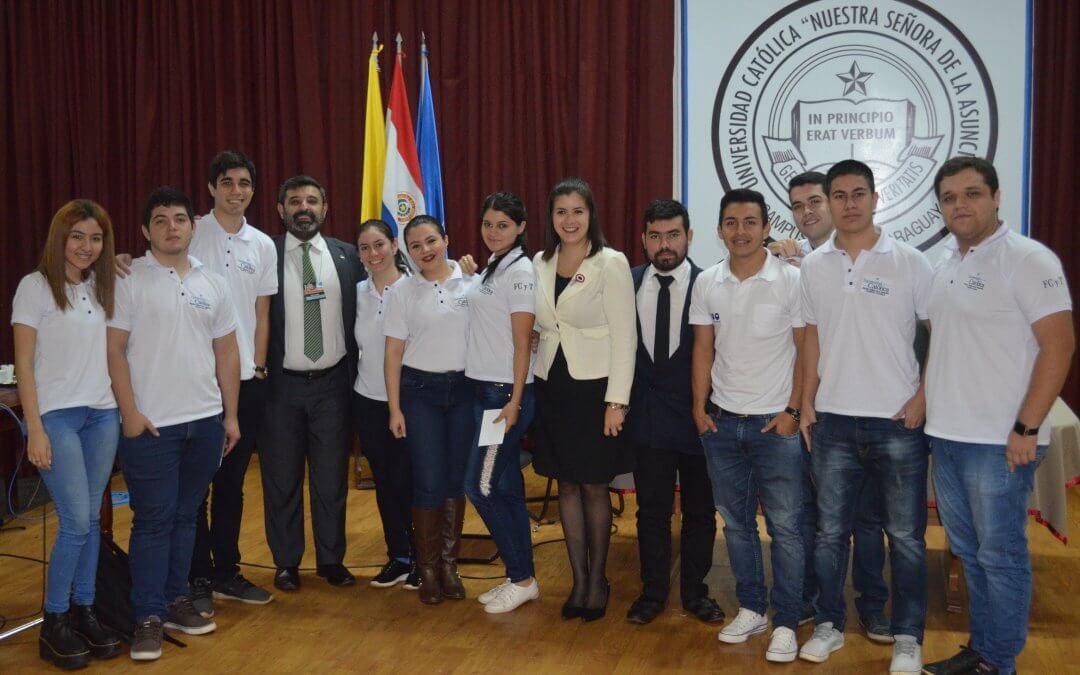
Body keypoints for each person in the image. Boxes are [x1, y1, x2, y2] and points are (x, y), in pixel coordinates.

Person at [922, 157, 1074, 675]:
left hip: (999, 440)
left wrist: (1027, 427)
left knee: (1001, 556)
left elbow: (1059, 347)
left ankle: (999, 661)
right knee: (968, 550)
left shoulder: (1029, 259)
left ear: (996, 197)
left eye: (971, 193)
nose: (959, 205)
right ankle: (981, 649)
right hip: (947, 435)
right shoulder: (945, 261)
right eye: (948, 197)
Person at [796, 160, 932, 674]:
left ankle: (908, 637)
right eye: (839, 195)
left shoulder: (911, 262)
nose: (849, 204)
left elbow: (938, 331)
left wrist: (923, 396)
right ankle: (829, 625)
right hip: (832, 421)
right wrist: (807, 403)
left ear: (876, 199)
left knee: (906, 537)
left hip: (897, 423)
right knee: (830, 534)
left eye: (858, 194)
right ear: (828, 202)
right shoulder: (813, 267)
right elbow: (809, 338)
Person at [106, 187, 241, 661]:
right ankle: (145, 614)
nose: (171, 228)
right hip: (151, 427)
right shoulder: (127, 279)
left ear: (191, 226)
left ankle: (172, 599)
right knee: (154, 520)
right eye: (160, 220)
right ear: (145, 231)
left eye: (179, 219)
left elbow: (227, 352)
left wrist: (230, 415)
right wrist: (130, 412)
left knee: (186, 517)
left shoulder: (213, 283)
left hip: (204, 422)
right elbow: (114, 349)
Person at [691, 189, 805, 662]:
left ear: (765, 226)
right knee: (736, 526)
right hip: (722, 425)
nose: (741, 231)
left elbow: (806, 351)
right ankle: (753, 608)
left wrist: (794, 412)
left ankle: (787, 621)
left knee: (786, 528)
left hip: (774, 426)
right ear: (720, 229)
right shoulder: (709, 283)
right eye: (732, 222)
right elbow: (703, 349)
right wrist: (700, 409)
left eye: (750, 222)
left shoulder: (791, 280)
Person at [781, 171, 892, 639]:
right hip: (814, 411)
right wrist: (802, 405)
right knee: (812, 516)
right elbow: (804, 341)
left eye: (815, 202)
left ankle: (872, 605)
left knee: (866, 520)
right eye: (798, 205)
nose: (807, 212)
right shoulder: (793, 265)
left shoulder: (884, 259)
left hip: (865, 412)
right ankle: (815, 600)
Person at [13, 200, 122, 669]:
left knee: (92, 522)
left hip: (102, 415)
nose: (85, 246)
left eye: (95, 238)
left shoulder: (104, 286)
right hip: (56, 418)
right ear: (59, 238)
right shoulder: (34, 288)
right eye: (76, 236)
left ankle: (85, 610)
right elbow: (23, 365)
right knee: (77, 521)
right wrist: (34, 428)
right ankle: (53, 622)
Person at [531, 177, 636, 622]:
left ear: (591, 214)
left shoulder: (610, 262)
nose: (569, 220)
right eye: (561, 212)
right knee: (566, 484)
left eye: (578, 211)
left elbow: (625, 337)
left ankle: (598, 581)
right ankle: (577, 578)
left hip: (595, 390)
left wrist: (617, 402)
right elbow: (542, 319)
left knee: (593, 484)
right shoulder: (540, 260)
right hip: (553, 386)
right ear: (551, 217)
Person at [260, 175, 365, 592]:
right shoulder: (264, 254)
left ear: (325, 209)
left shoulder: (348, 256)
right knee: (281, 479)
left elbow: (396, 282)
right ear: (280, 209)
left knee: (330, 478)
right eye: (294, 201)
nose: (303, 208)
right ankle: (286, 562)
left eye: (312, 201)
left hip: (333, 386)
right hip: (280, 389)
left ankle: (331, 560)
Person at [623, 199, 724, 627]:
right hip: (647, 423)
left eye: (673, 235)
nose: (664, 245)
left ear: (689, 236)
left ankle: (696, 592)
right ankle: (652, 592)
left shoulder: (711, 285)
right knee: (651, 511)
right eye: (655, 236)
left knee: (701, 512)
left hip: (701, 421)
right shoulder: (626, 282)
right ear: (644, 239)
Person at [186, 151, 277, 615]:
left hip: (245, 382)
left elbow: (261, 315)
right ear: (211, 188)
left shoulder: (262, 244)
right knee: (198, 484)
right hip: (194, 383)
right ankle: (196, 575)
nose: (236, 191)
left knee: (233, 484)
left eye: (244, 183)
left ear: (253, 190)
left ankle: (227, 572)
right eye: (227, 182)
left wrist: (258, 369)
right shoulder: (189, 232)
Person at [383, 215, 477, 605]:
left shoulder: (473, 283)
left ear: (446, 239)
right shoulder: (401, 292)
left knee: (456, 481)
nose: (426, 250)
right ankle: (427, 571)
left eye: (431, 240)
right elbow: (392, 352)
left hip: (464, 391)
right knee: (428, 480)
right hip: (419, 393)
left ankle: (449, 566)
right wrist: (394, 408)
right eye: (416, 245)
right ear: (408, 251)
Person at [460, 192, 540, 614]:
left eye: (503, 225)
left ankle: (522, 577)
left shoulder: (521, 271)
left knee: (481, 486)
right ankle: (520, 576)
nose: (493, 232)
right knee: (506, 486)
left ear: (521, 227)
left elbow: (522, 341)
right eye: (488, 224)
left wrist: (515, 400)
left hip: (502, 396)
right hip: (482, 392)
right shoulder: (493, 266)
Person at [350, 218, 417, 590]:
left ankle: (425, 557)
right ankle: (399, 557)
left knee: (414, 482)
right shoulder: (356, 292)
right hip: (368, 400)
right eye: (364, 248)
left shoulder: (415, 287)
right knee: (387, 483)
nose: (373, 254)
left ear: (394, 245)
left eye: (379, 245)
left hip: (409, 402)